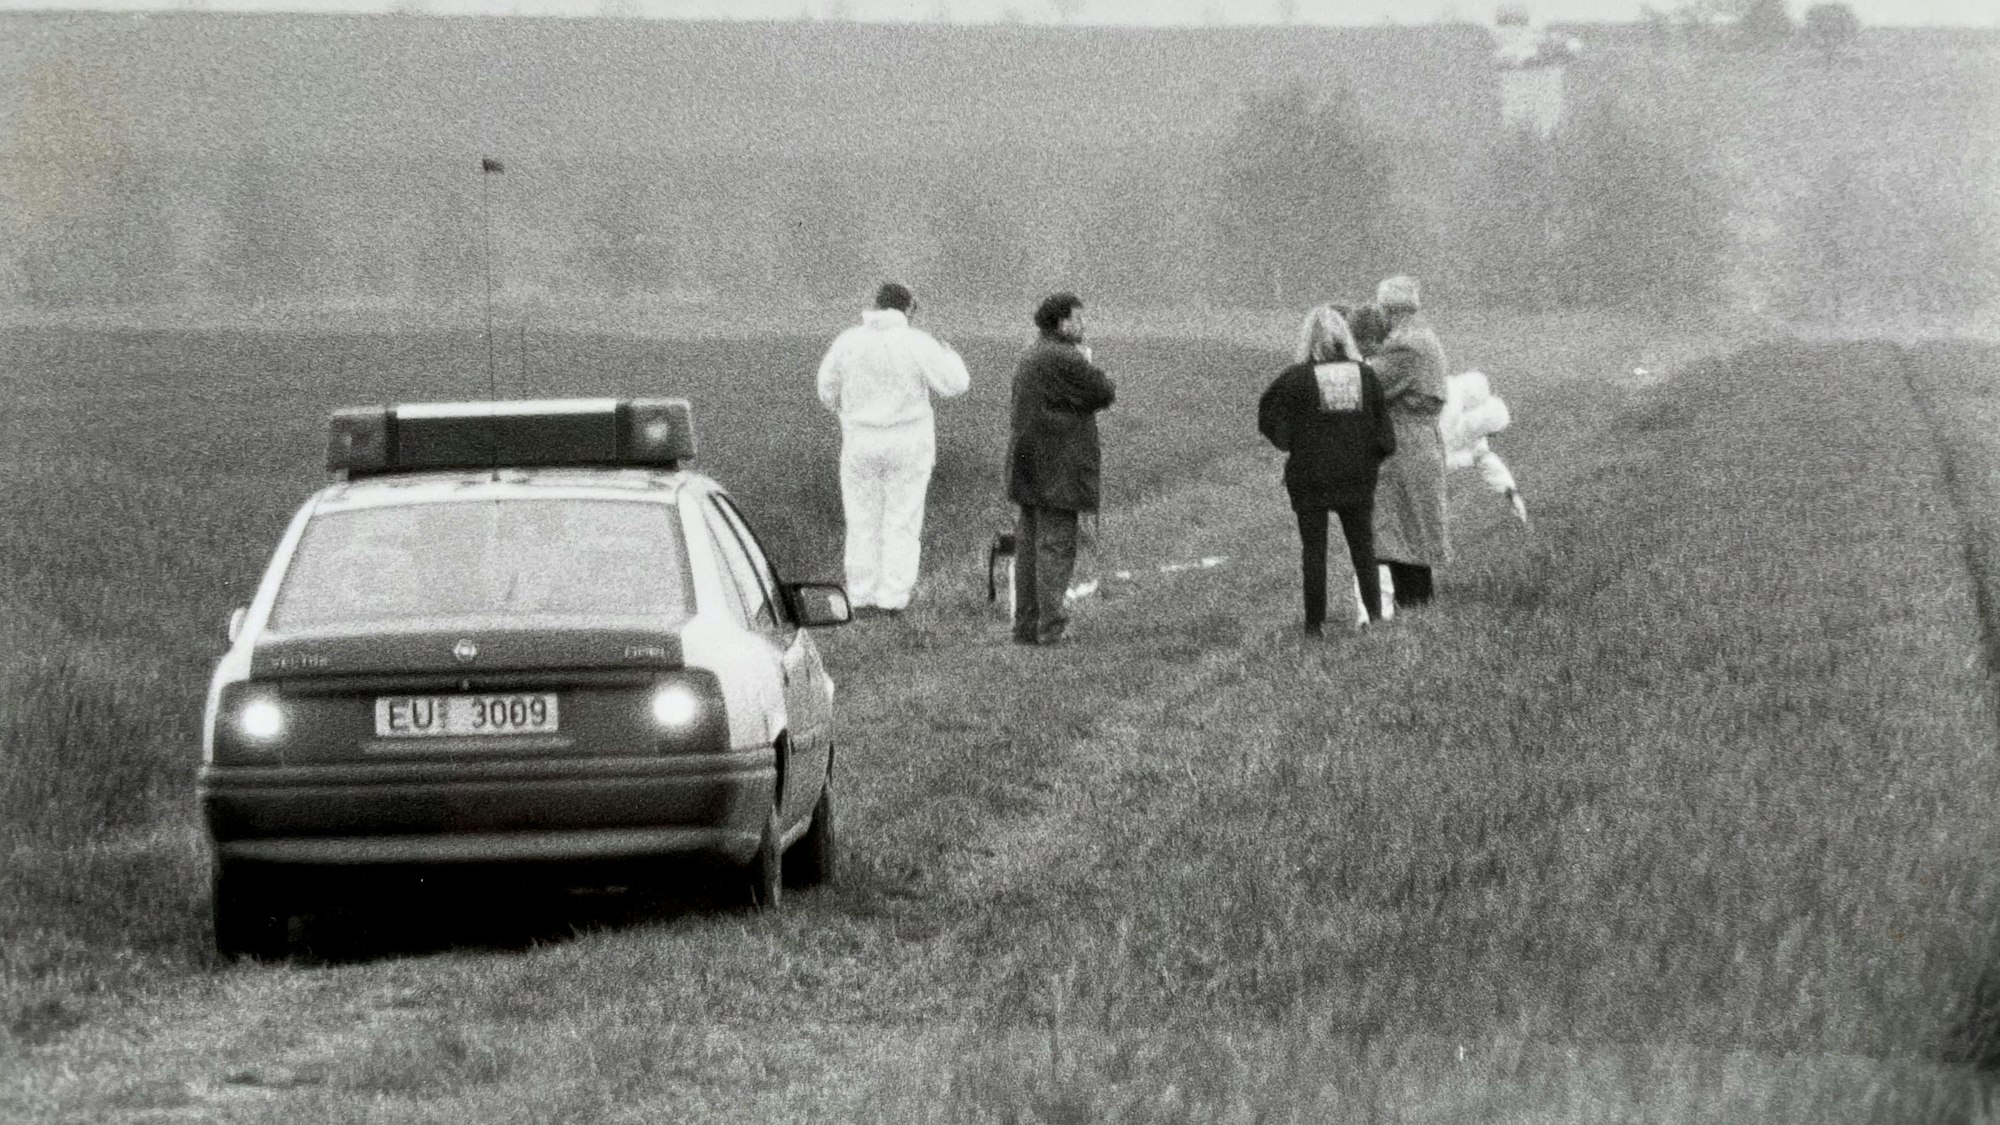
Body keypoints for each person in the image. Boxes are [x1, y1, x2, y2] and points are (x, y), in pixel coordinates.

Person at [815, 282, 970, 614]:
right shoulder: (917, 342)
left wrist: (849, 410)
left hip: (860, 440)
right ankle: (892, 598)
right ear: (908, 308)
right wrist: (949, 354)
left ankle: (860, 595)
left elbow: (826, 390)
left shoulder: (848, 341)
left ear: (875, 305)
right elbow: (956, 384)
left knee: (860, 520)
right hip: (908, 443)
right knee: (902, 520)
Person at [1258, 304, 1397, 635]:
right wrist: (1369, 458)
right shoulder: (1365, 376)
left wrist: (1291, 443)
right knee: (1364, 548)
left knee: (1314, 551)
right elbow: (1385, 435)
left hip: (1310, 477)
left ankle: (1314, 625)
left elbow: (1267, 414)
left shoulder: (1295, 379)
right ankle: (1374, 617)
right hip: (1357, 477)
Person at [1006, 292, 1116, 646]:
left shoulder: (1032, 353)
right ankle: (1051, 626)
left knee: (1029, 547)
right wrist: (1085, 360)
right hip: (1058, 464)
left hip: (1027, 461)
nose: (1084, 325)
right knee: (1055, 546)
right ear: (1062, 322)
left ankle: (1026, 625)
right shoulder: (1064, 357)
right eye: (1078, 318)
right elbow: (1103, 391)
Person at [1362, 275, 1451, 608]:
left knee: (1404, 532)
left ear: (1389, 309)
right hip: (1416, 442)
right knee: (1410, 530)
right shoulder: (1421, 337)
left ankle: (1414, 608)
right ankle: (1415, 607)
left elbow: (1367, 385)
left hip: (1404, 446)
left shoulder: (1405, 345)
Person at [1442, 370, 1530, 525]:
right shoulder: (1449, 419)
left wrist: (1510, 491)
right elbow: (1432, 461)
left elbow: (1486, 458)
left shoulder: (1472, 429)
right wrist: (1468, 459)